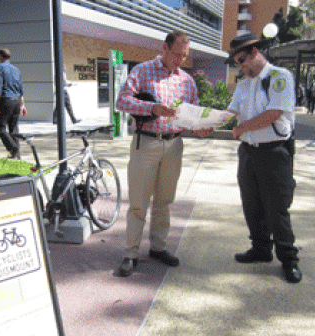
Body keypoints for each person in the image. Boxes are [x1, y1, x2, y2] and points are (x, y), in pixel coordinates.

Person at [114, 30, 212, 277]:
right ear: (165, 47)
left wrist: (202, 126)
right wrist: (153, 108)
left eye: (184, 56)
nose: (180, 60)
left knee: (164, 201)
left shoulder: (186, 81)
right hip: (146, 143)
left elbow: (194, 112)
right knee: (138, 203)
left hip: (174, 145)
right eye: (177, 54)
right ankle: (130, 253)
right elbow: (122, 101)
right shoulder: (143, 71)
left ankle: (158, 248)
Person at [225, 33, 302, 283]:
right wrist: (205, 123)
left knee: (276, 209)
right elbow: (230, 112)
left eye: (243, 59)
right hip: (248, 153)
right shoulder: (244, 84)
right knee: (252, 204)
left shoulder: (280, 77)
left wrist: (241, 128)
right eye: (237, 62)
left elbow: (273, 114)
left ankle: (289, 260)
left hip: (274, 153)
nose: (241, 65)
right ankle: (261, 250)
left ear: (257, 52)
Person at [0, 48, 26, 160]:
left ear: (1, 56)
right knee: (13, 128)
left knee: (0, 127)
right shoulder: (16, 69)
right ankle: (17, 154)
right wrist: (22, 104)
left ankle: (13, 148)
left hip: (6, 100)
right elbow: (20, 88)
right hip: (16, 101)